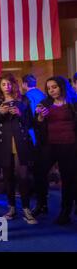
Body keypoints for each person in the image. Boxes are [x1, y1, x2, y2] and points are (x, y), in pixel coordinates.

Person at [0, 73, 37, 224]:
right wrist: (0, 113)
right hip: (3, 143)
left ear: (14, 85)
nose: (6, 87)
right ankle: (11, 208)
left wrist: (20, 113)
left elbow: (30, 122)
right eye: (3, 84)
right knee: (8, 178)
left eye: (9, 84)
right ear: (0, 86)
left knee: (23, 177)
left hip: (20, 142)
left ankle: (26, 208)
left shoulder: (23, 100)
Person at [33, 76, 77, 225]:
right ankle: (42, 204)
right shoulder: (45, 103)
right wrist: (39, 117)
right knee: (39, 172)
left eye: (54, 87)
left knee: (68, 179)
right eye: (49, 88)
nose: (51, 90)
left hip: (70, 145)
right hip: (49, 145)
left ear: (62, 87)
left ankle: (66, 211)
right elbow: (36, 125)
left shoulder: (73, 102)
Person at [21, 74, 46, 146]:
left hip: (33, 127)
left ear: (25, 84)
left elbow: (30, 113)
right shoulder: (41, 93)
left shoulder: (27, 96)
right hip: (43, 125)